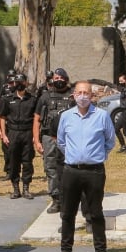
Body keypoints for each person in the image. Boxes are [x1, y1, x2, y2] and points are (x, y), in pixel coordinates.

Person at [55, 80, 116, 252]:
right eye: (79, 93)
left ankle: (101, 251)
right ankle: (65, 251)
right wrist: (75, 156)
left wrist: (96, 156)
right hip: (71, 171)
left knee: (96, 212)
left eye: (86, 93)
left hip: (94, 171)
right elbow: (61, 141)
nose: (82, 96)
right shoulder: (66, 116)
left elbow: (110, 141)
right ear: (74, 95)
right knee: (67, 213)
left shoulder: (102, 116)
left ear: (92, 96)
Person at [33, 67, 76, 212]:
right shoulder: (45, 96)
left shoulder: (73, 96)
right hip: (47, 137)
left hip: (68, 138)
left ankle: (69, 197)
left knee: (68, 167)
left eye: (61, 78)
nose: (58, 80)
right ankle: (56, 199)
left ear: (66, 80)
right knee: (50, 167)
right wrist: (37, 141)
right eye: (56, 78)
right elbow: (37, 119)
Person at [0, 72, 37, 199]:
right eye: (17, 82)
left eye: (22, 82)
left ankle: (26, 188)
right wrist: (4, 134)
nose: (19, 84)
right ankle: (15, 189)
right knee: (13, 161)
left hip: (27, 133)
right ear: (14, 83)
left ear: (26, 83)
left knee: (27, 162)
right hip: (13, 133)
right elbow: (2, 117)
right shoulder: (7, 99)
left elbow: (37, 119)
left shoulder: (32, 99)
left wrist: (35, 136)